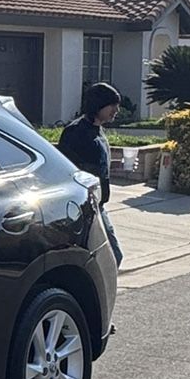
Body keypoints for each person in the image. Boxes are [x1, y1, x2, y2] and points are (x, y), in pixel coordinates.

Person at [58, 81, 124, 265]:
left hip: (98, 203)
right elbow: (67, 168)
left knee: (111, 257)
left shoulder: (98, 130)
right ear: (98, 104)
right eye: (112, 105)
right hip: (83, 206)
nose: (116, 110)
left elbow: (96, 163)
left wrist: (114, 166)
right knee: (109, 257)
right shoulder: (75, 132)